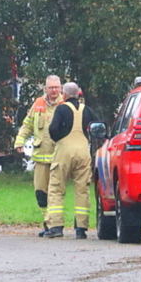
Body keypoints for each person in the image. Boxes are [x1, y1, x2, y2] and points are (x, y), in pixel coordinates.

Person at [44, 82, 99, 239]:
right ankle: (81, 229)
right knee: (82, 190)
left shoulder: (61, 109)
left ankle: (56, 227)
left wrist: (59, 139)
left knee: (56, 188)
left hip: (64, 151)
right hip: (83, 151)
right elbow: (98, 127)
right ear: (79, 93)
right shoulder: (87, 110)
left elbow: (53, 129)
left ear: (65, 94)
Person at [14, 75, 63, 236]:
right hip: (41, 157)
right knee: (41, 192)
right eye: (51, 87)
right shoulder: (38, 104)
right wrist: (19, 141)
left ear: (61, 88)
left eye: (57, 87)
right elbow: (27, 125)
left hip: (59, 156)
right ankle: (48, 224)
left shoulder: (65, 105)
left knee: (55, 193)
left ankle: (56, 226)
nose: (54, 90)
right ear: (45, 89)